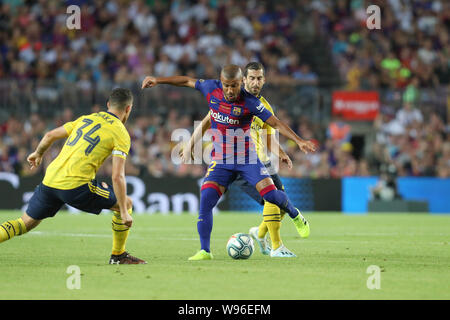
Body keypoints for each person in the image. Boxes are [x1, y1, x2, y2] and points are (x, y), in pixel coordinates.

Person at [142, 64, 316, 260]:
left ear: (241, 83)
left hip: (246, 159)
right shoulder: (211, 88)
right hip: (222, 161)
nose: (230, 90)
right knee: (206, 200)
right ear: (221, 82)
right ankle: (204, 251)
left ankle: (295, 214)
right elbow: (187, 81)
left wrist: (299, 141)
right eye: (227, 85)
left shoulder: (250, 102)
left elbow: (274, 123)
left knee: (273, 197)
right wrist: (158, 80)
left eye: (234, 86)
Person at [0, 88, 146, 265]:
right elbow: (117, 176)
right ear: (129, 109)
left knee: (24, 223)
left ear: (108, 105)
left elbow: (50, 135)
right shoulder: (120, 132)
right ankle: (118, 255)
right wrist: (124, 211)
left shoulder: (87, 118)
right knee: (127, 203)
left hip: (50, 180)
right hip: (76, 187)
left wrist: (38, 153)